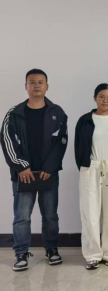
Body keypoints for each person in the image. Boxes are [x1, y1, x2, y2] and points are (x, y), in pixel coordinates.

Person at [1, 69, 68, 272]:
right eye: (32, 82)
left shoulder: (57, 112)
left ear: (47, 86)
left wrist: (49, 167)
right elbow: (7, 142)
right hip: (23, 175)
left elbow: (61, 142)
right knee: (22, 216)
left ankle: (51, 249)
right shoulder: (14, 113)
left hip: (48, 174)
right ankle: (21, 253)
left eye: (40, 82)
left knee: (50, 215)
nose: (36, 85)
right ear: (26, 86)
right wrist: (21, 166)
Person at [75, 84, 108, 270]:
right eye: (101, 96)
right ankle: (92, 254)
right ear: (95, 98)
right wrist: (84, 165)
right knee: (90, 212)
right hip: (90, 167)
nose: (105, 100)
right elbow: (78, 145)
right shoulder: (85, 120)